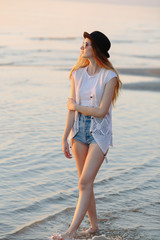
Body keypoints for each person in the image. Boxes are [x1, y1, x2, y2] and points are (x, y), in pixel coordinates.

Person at [51, 31, 122, 240]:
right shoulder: (77, 74)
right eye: (82, 44)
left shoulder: (110, 77)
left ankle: (70, 232)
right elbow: (70, 109)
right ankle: (94, 227)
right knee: (85, 182)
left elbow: (101, 111)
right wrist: (64, 136)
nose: (82, 48)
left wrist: (77, 106)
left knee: (84, 182)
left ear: (96, 49)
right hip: (78, 131)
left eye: (87, 44)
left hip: (99, 133)